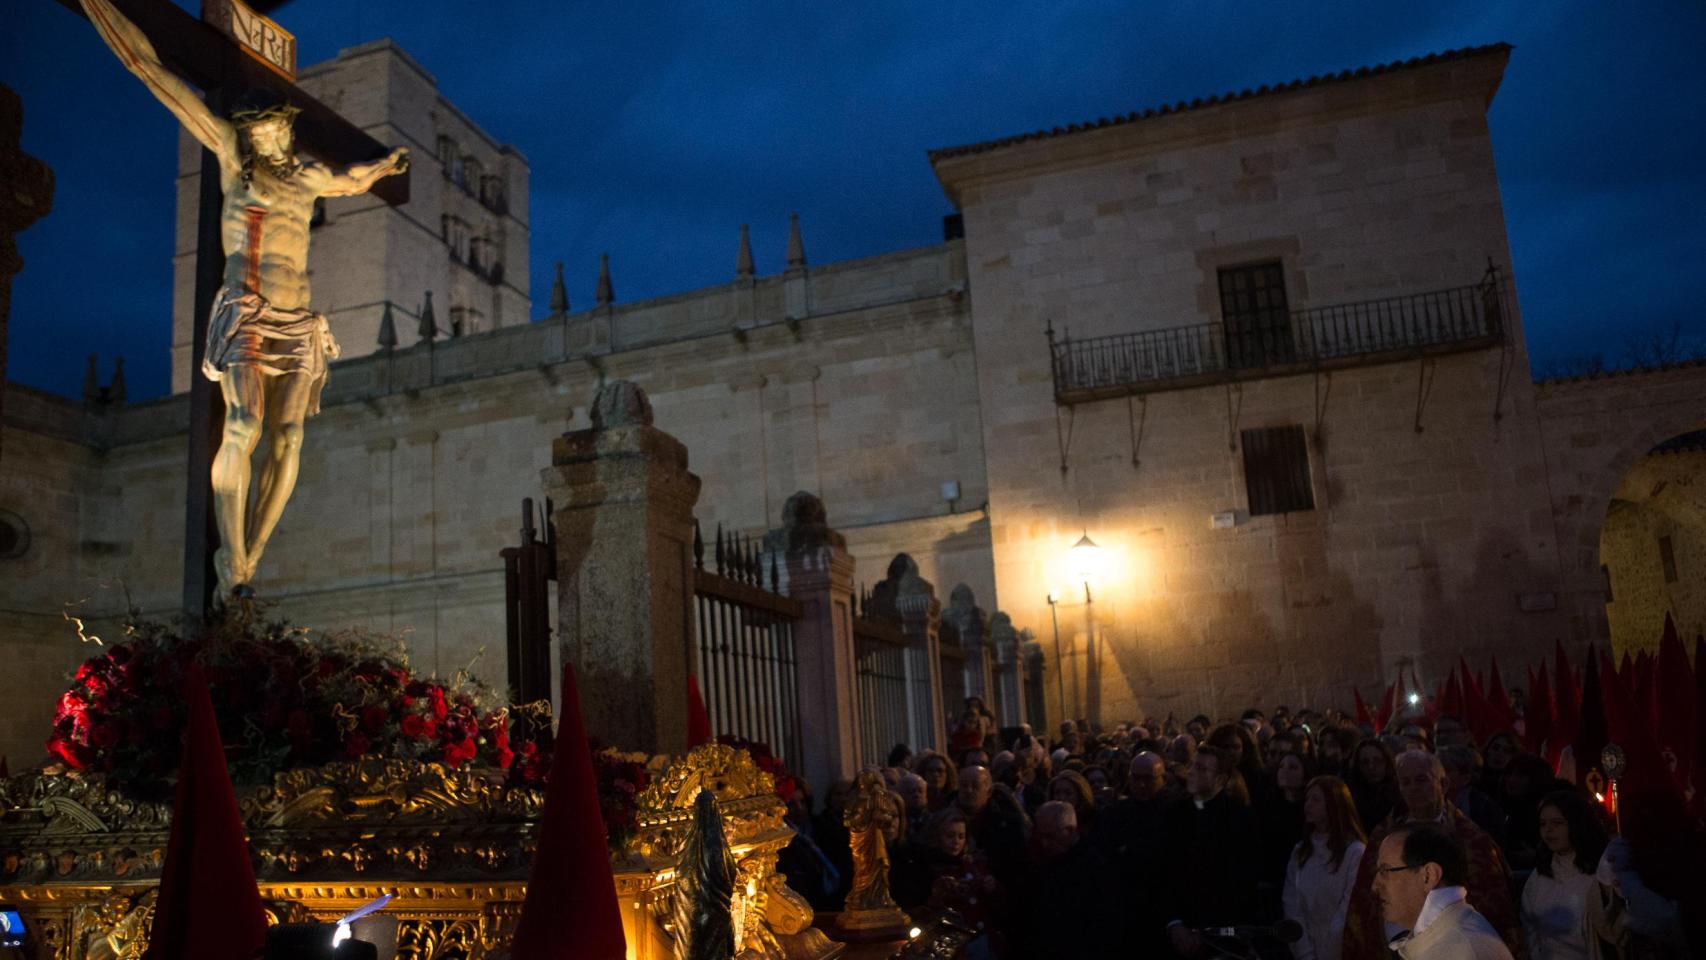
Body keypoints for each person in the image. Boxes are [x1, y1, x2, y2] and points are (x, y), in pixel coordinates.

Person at [78, 0, 410, 600]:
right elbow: (155, 74)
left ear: (285, 125)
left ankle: (251, 556)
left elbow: (356, 178)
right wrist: (103, 11)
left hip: (299, 319)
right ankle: (229, 552)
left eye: (274, 126)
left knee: (289, 439)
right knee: (244, 423)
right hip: (250, 308)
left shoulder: (307, 178)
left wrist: (385, 166)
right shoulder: (237, 164)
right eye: (258, 129)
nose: (268, 136)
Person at [1341, 751, 1522, 959]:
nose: (1413, 789)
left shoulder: (1472, 841)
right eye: (1405, 782)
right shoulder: (1384, 837)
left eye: (1421, 780)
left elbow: (1495, 906)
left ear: (1443, 784)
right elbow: (1364, 904)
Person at [1161, 745, 1260, 958]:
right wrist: (1175, 923)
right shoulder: (1173, 814)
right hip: (1177, 931)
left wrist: (1205, 931)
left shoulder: (1239, 819)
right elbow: (1163, 872)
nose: (1193, 772)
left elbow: (1240, 880)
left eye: (1202, 768)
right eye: (1192, 766)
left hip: (1221, 935)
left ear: (1221, 780)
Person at [1374, 824, 1513, 959]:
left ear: (1429, 876)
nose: (1375, 886)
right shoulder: (1443, 938)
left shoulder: (1463, 950)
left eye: (1385, 870)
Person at [1521, 790, 1613, 960]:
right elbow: (1529, 929)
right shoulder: (1540, 875)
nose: (1548, 830)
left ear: (1576, 824)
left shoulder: (1601, 876)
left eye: (1558, 823)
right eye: (1543, 824)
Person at [1283, 776, 1367, 960]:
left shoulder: (1354, 853)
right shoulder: (1301, 852)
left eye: (1316, 799)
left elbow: (1347, 910)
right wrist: (1305, 952)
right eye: (1307, 799)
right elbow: (1292, 904)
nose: (1308, 805)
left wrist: (1329, 952)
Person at [1440, 744, 1507, 846]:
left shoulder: (1484, 808)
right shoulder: (1428, 800)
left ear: (1465, 778)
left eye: (1446, 770)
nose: (1439, 775)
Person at [1347, 738, 1399, 833]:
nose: (1371, 767)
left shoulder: (1399, 792)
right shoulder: (1351, 795)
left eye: (1377, 761)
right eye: (1365, 762)